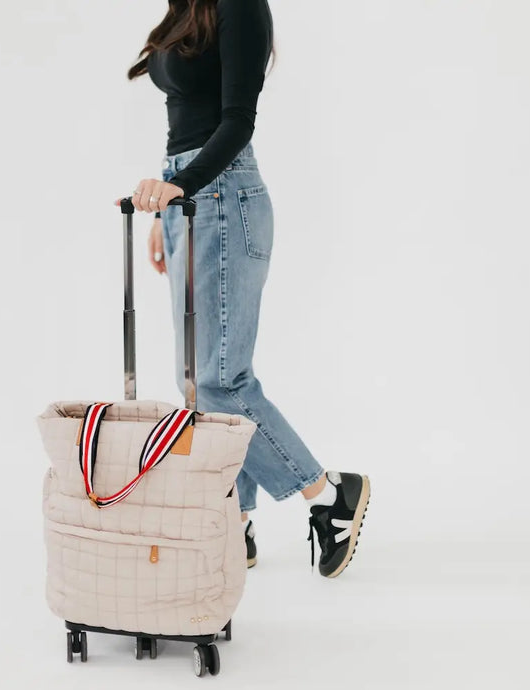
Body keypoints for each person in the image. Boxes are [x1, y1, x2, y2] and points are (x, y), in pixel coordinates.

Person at [116, 0, 370, 578]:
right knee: (204, 384)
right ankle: (238, 522)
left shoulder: (240, 6)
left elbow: (236, 120)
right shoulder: (185, 10)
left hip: (224, 195)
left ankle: (328, 495)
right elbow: (184, 116)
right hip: (189, 198)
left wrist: (181, 186)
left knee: (219, 378)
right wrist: (166, 210)